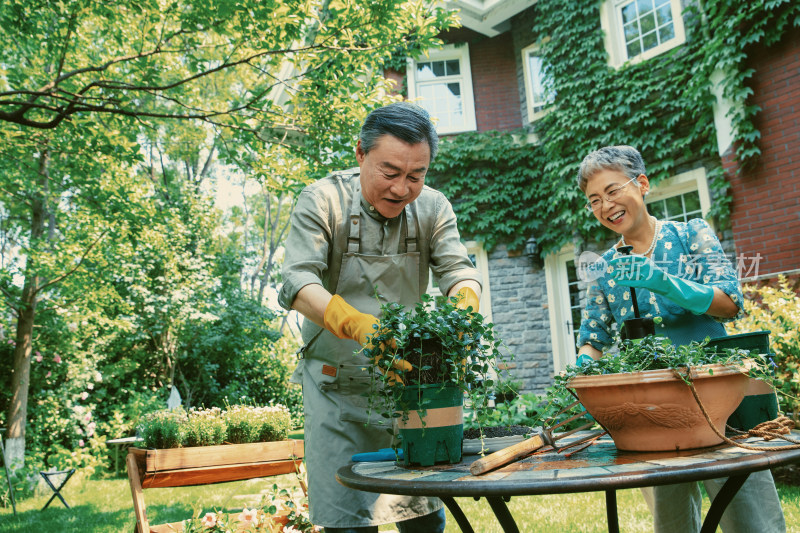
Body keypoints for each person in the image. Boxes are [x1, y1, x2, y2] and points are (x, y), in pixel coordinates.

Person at [278, 101, 482, 532]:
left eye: (416, 175)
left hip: (409, 388)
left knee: (424, 522)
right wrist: (355, 323)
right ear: (360, 154)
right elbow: (297, 283)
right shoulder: (323, 201)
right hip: (337, 390)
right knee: (347, 524)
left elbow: (459, 271)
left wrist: (464, 310)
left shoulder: (433, 207)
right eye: (389, 172)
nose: (402, 188)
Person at [574, 145, 785, 533]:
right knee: (673, 524)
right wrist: (585, 372)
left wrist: (666, 282)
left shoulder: (691, 235)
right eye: (594, 200)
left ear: (642, 184)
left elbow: (729, 302)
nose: (606, 206)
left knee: (752, 518)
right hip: (652, 414)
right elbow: (593, 338)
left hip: (722, 403)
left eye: (613, 190)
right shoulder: (604, 270)